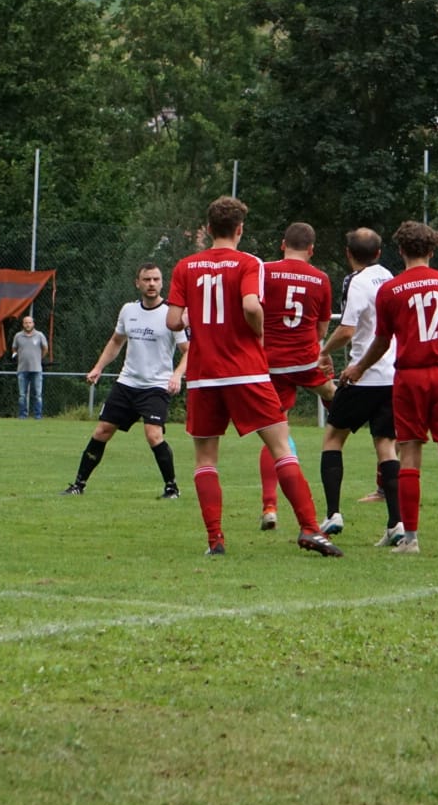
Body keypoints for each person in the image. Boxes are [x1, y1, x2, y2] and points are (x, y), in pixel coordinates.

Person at [166, 196, 342, 558]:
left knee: (205, 460)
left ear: (209, 228)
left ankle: (215, 540)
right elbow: (250, 305)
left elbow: (172, 321)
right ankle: (310, 528)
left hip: (203, 375)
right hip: (246, 370)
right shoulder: (250, 263)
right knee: (280, 447)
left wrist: (195, 322)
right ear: (240, 229)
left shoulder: (185, 266)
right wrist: (258, 333)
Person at [342, 221, 438, 557]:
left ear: (400, 250)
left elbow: (381, 340)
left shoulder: (390, 289)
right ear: (432, 250)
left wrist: (359, 367)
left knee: (410, 455)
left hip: (409, 378)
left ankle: (411, 538)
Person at [61, 263, 189, 498]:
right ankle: (78, 485)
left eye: (156, 279)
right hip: (127, 383)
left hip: (155, 386)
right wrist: (98, 368)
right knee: (102, 431)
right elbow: (116, 341)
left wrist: (177, 374)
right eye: (147, 279)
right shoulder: (128, 310)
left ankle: (172, 488)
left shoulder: (171, 313)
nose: (151, 284)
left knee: (153, 435)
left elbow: (189, 351)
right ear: (137, 283)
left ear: (162, 283)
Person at [318, 228, 403, 545]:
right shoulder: (388, 276)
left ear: (348, 253)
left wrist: (323, 351)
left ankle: (332, 514)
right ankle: (396, 523)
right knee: (385, 445)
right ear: (379, 253)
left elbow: (347, 329)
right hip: (391, 376)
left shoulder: (359, 281)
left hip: (362, 375)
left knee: (333, 439)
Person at [256, 222, 335, 530]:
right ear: (312, 249)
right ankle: (340, 433)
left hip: (270, 363)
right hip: (304, 360)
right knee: (333, 394)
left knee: (275, 432)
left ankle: (269, 506)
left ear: (282, 244)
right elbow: (322, 330)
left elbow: (252, 309)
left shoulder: (265, 271)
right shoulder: (321, 278)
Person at [11, 315, 48, 419]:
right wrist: (15, 355)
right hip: (22, 369)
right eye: (26, 323)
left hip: (36, 369)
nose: (28, 325)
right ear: (23, 324)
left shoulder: (39, 335)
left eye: (29, 323)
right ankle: (22, 415)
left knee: (37, 395)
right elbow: (14, 348)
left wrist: (39, 358)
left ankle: (38, 416)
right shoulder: (18, 336)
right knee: (22, 395)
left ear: (33, 324)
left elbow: (45, 348)